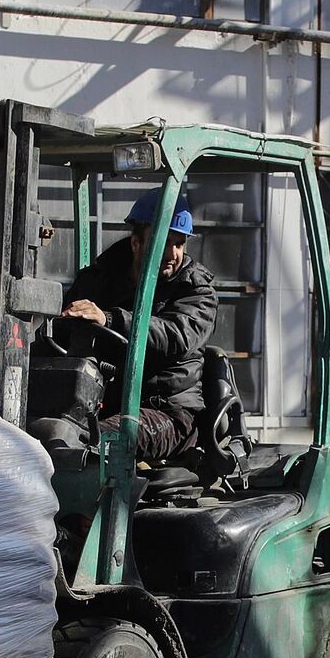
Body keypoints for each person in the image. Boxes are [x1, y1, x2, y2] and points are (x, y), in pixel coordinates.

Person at [61, 186, 217, 463]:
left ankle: (94, 505)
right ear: (136, 243)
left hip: (167, 411)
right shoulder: (99, 279)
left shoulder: (197, 292)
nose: (172, 253)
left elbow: (175, 336)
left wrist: (109, 319)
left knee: (89, 441)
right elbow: (61, 329)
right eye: (163, 242)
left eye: (179, 243)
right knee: (37, 430)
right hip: (101, 403)